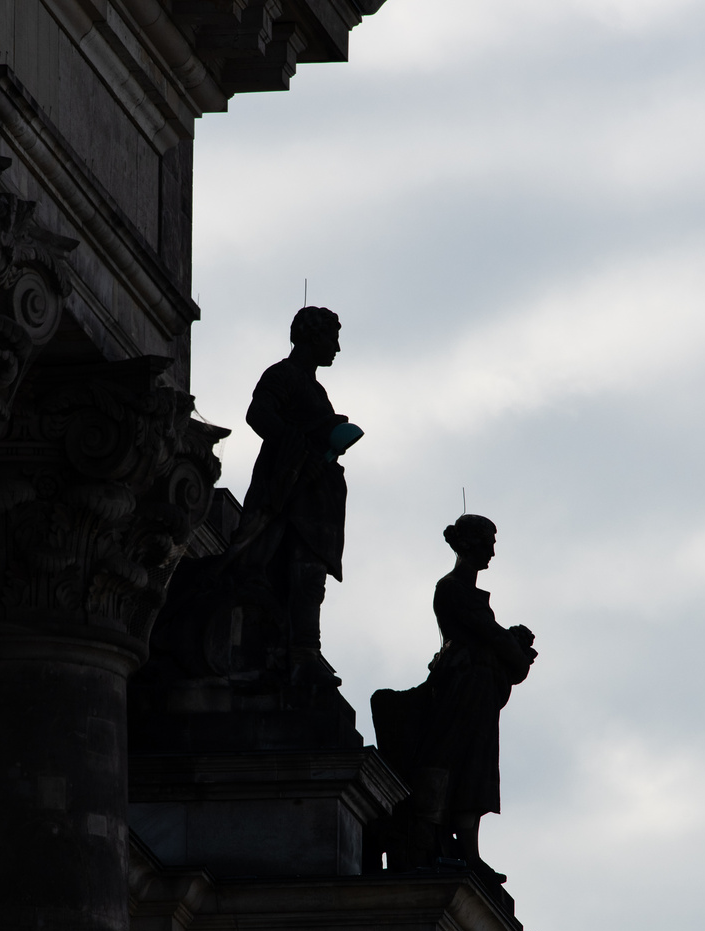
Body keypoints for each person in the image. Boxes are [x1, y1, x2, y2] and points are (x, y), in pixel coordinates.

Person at [375, 514, 536, 870]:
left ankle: (469, 850)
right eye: (487, 541)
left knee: (475, 767)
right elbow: (490, 635)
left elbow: (496, 641)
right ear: (468, 544)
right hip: (460, 686)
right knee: (451, 759)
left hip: (479, 688)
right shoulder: (451, 588)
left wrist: (512, 652)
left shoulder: (468, 593)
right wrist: (514, 652)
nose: (492, 550)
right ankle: (430, 836)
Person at [224, 306, 360, 686]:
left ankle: (303, 649)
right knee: (296, 572)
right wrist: (303, 449)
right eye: (331, 337)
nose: (336, 347)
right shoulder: (282, 374)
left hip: (313, 495)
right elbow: (258, 416)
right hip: (288, 491)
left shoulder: (315, 388)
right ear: (310, 337)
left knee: (309, 575)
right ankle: (300, 651)